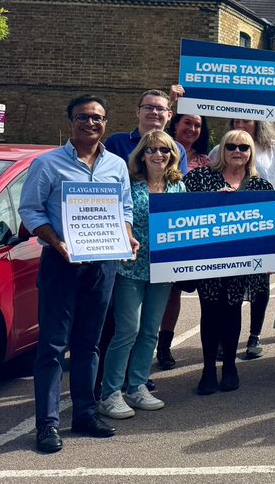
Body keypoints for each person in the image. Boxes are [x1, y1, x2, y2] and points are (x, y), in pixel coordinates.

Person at [19, 95, 138, 454]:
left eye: (98, 118)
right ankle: (47, 424)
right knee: (53, 347)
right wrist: (57, 243)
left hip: (102, 263)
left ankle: (85, 414)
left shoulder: (116, 165)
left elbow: (125, 206)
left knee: (89, 343)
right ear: (70, 121)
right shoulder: (48, 164)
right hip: (62, 264)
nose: (91, 123)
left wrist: (128, 235)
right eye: (83, 117)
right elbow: (30, 210)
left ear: (106, 123)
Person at [97, 130, 184, 420]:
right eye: (151, 150)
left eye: (164, 150)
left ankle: (136, 386)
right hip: (130, 269)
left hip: (163, 270)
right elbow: (119, 218)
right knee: (127, 331)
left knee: (149, 331)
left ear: (173, 155)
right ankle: (110, 393)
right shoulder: (131, 185)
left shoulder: (177, 187)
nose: (158, 155)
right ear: (141, 155)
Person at [209, 107, 275, 353]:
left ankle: (254, 337)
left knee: (260, 283)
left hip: (264, 224)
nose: (242, 123)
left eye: (248, 119)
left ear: (258, 123)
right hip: (229, 227)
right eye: (238, 119)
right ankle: (224, 338)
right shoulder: (218, 150)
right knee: (228, 281)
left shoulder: (273, 146)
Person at [184, 130, 275, 394]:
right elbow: (182, 210)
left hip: (241, 263)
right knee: (210, 312)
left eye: (244, 147)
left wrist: (267, 255)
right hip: (208, 260)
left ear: (251, 154)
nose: (238, 151)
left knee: (232, 311)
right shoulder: (201, 177)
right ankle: (208, 369)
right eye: (231, 146)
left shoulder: (260, 185)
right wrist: (216, 202)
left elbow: (269, 225)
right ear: (222, 150)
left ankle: (230, 367)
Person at [155, 110, 209, 371]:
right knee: (157, 293)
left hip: (192, 235)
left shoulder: (206, 161)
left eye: (198, 125)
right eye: (187, 122)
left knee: (176, 291)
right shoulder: (159, 151)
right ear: (174, 124)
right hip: (161, 232)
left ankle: (164, 345)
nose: (192, 128)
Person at [105, 90, 189, 172]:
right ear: (138, 112)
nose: (154, 112)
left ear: (169, 115)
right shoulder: (116, 143)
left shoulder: (177, 149)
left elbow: (180, 181)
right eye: (148, 107)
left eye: (160, 109)